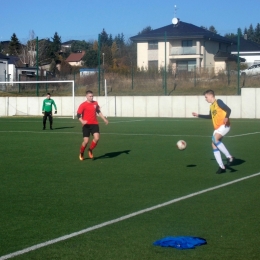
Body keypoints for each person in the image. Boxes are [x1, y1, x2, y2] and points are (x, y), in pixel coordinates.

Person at [192, 90, 233, 174]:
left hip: (224, 125)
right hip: (217, 128)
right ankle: (222, 167)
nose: (205, 99)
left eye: (206, 97)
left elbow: (228, 109)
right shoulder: (211, 106)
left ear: (211, 96)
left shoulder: (218, 101)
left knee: (215, 139)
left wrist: (226, 117)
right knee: (213, 145)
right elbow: (210, 116)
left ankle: (229, 157)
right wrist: (198, 115)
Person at [77, 90, 108, 160]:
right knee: (86, 141)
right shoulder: (83, 105)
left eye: (92, 96)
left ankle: (90, 150)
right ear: (86, 97)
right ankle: (81, 152)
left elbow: (98, 111)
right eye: (90, 96)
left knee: (97, 138)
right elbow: (78, 115)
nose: (91, 97)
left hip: (94, 124)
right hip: (86, 125)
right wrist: (82, 121)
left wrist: (104, 119)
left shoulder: (95, 103)